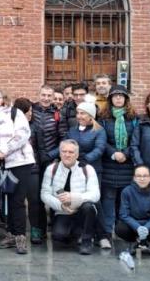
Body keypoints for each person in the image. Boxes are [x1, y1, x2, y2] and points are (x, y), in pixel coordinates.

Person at [0, 89, 35, 255]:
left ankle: (20, 236)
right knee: (6, 200)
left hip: (19, 162)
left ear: (4, 99)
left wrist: (6, 149)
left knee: (17, 200)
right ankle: (10, 233)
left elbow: (23, 134)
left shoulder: (15, 113)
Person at [41, 139, 101, 255]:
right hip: (62, 211)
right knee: (59, 236)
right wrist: (61, 206)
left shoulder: (87, 169)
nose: (67, 155)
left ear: (77, 154)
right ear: (59, 153)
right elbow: (44, 194)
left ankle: (86, 241)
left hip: (82, 210)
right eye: (64, 151)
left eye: (71, 152)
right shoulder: (51, 169)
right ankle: (76, 233)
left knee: (89, 206)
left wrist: (73, 197)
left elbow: (95, 194)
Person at [98, 86, 137, 250]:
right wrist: (114, 153)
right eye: (115, 96)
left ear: (126, 99)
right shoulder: (103, 118)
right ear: (110, 99)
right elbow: (101, 140)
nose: (118, 99)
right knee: (108, 200)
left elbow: (136, 140)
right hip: (109, 164)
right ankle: (106, 233)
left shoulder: (134, 118)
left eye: (121, 96)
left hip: (127, 165)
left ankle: (124, 232)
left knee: (125, 201)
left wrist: (126, 154)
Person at [29, 85, 66, 244]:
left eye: (49, 96)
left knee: (54, 195)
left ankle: (59, 229)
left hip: (52, 161)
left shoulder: (58, 114)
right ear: (39, 95)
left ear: (53, 97)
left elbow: (63, 139)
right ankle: (37, 230)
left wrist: (51, 155)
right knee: (35, 197)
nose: (45, 98)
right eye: (43, 95)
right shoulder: (32, 111)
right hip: (33, 161)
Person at [116, 166, 150, 259]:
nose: (142, 178)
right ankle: (132, 242)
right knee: (120, 228)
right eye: (139, 176)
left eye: (145, 176)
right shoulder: (127, 191)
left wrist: (147, 228)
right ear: (134, 178)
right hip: (133, 225)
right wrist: (137, 227)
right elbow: (124, 214)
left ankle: (149, 243)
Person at [52, 100, 106, 177]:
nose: (78, 116)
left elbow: (99, 149)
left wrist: (86, 159)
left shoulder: (99, 130)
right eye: (78, 113)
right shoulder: (72, 130)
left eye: (82, 113)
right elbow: (63, 145)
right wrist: (49, 155)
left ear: (91, 116)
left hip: (92, 170)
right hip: (74, 169)